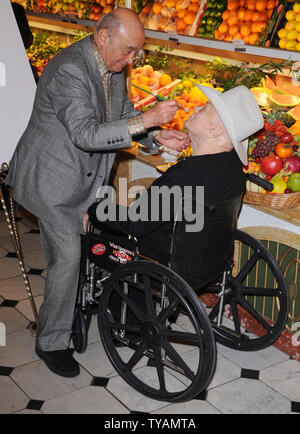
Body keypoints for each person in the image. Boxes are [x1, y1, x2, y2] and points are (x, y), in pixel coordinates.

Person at [5, 7, 190, 378]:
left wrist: (155, 135)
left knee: (81, 250)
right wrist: (149, 119)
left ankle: (79, 312)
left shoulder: (114, 64)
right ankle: (51, 343)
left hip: (85, 179)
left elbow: (121, 114)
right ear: (102, 37)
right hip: (52, 179)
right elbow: (87, 134)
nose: (132, 59)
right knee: (68, 259)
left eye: (138, 51)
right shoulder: (70, 69)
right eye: (128, 50)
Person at [88, 85, 264, 265]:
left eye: (205, 108)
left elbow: (135, 223)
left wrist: (95, 209)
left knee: (97, 236)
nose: (196, 108)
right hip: (201, 267)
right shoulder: (234, 170)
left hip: (155, 268)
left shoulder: (184, 177)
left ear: (215, 131)